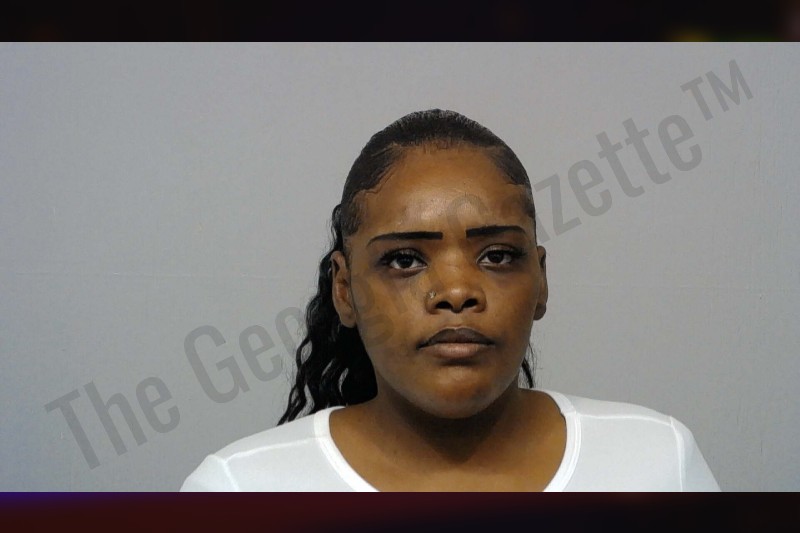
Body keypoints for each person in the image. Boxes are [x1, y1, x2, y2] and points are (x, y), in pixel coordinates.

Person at [181, 109, 720, 491]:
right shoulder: (239, 489)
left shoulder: (656, 462)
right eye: (404, 260)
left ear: (540, 280)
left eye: (498, 255)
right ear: (345, 290)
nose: (458, 292)